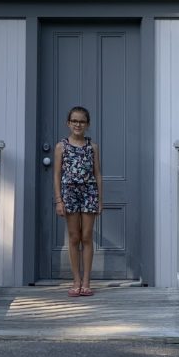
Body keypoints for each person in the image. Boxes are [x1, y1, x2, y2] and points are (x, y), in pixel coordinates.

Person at [53, 105, 103, 297]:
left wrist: (100, 200)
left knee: (87, 236)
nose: (78, 124)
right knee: (74, 237)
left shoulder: (93, 147)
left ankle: (87, 282)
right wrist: (59, 200)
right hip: (69, 193)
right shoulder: (61, 146)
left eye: (82, 121)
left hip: (89, 192)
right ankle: (76, 281)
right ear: (68, 123)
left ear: (87, 124)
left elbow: (97, 174)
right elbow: (57, 175)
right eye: (74, 121)